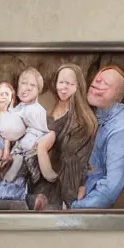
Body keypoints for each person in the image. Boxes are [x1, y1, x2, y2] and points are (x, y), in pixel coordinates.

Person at [69, 65, 124, 209]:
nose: (97, 83)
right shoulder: (94, 113)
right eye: (96, 80)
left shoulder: (123, 127)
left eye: (105, 84)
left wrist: (74, 210)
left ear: (118, 96)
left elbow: (110, 189)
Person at [33, 63, 99, 208]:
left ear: (78, 86)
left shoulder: (83, 121)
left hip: (64, 182)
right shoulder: (49, 110)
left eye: (70, 83)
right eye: (61, 82)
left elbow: (80, 160)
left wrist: (81, 185)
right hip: (40, 176)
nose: (64, 87)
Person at [2, 67, 52, 183]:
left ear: (39, 90)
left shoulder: (37, 109)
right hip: (18, 144)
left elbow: (41, 130)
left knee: (27, 141)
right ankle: (16, 167)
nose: (27, 88)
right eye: (23, 83)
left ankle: (30, 163)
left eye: (32, 85)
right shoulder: (18, 107)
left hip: (33, 141)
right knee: (17, 155)